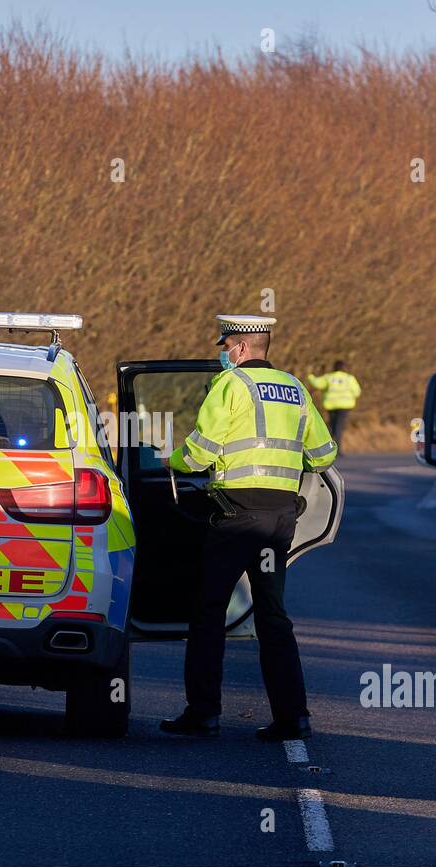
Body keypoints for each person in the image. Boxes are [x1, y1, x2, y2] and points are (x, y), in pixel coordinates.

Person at [159, 315, 337, 741]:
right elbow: (324, 453)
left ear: (238, 348)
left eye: (225, 346)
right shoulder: (295, 388)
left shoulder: (230, 385)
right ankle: (293, 718)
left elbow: (201, 452)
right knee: (273, 616)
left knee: (208, 611)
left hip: (236, 515)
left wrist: (170, 461)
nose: (224, 353)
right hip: (279, 519)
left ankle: (203, 713)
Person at [307, 360, 361, 450]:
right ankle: (338, 448)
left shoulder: (329, 377)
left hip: (331, 405)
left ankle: (329, 446)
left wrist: (310, 376)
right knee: (339, 426)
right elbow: (357, 392)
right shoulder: (349, 378)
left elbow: (317, 384)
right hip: (345, 406)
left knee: (331, 425)